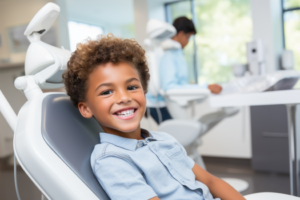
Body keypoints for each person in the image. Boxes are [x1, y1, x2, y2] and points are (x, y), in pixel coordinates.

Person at [62, 34, 245, 200]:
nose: (124, 97)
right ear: (86, 109)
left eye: (132, 87)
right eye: (107, 91)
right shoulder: (111, 160)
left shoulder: (164, 139)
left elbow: (210, 182)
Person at [146, 16, 222, 124]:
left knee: (187, 133)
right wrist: (205, 87)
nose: (188, 42)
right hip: (159, 104)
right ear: (181, 34)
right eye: (188, 37)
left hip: (165, 102)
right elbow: (169, 87)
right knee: (180, 135)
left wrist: (195, 87)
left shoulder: (176, 53)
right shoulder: (169, 55)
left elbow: (179, 84)